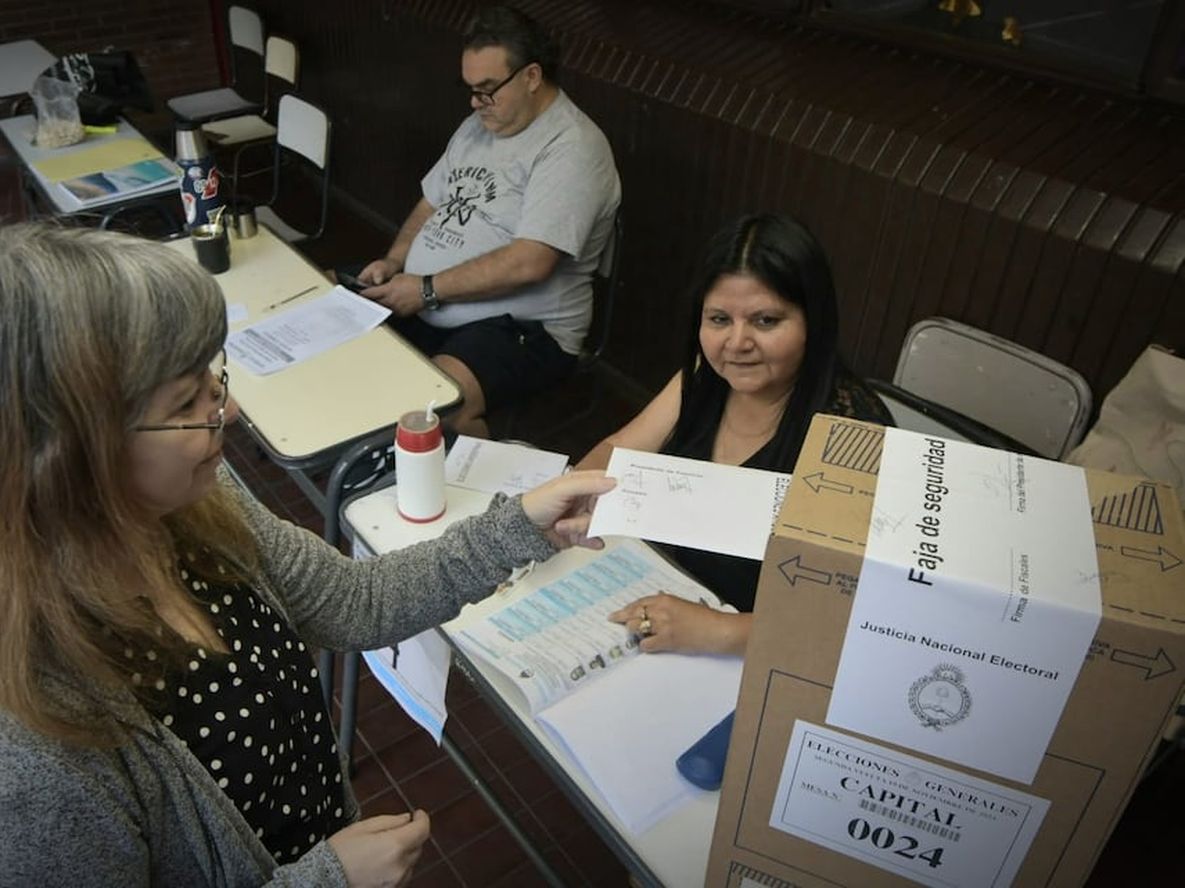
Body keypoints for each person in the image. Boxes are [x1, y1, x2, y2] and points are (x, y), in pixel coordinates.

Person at [0, 223, 615, 887]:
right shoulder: (32, 741)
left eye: (212, 379)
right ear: (63, 454)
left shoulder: (191, 508)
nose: (227, 411)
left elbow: (353, 601)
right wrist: (327, 880)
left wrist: (517, 525)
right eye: (186, 403)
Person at [576, 213, 892, 657]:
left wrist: (721, 631)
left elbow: (844, 612)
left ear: (813, 322)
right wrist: (570, 499)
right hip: (652, 599)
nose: (737, 342)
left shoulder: (851, 433)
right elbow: (617, 449)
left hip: (755, 655)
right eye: (719, 318)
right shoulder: (707, 373)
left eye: (765, 321)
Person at [353, 5, 621, 438]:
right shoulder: (481, 125)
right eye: (471, 89)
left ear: (532, 77)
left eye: (487, 89)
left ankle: (479, 481)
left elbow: (529, 262)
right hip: (430, 300)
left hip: (527, 330)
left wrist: (425, 289)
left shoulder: (572, 148)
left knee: (435, 412)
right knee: (337, 342)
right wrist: (395, 260)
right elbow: (430, 202)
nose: (476, 103)